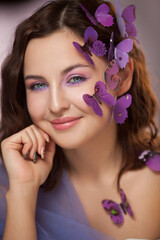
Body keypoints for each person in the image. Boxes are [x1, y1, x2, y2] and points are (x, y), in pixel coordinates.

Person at [0, 0, 160, 239]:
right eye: (38, 85)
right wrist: (23, 191)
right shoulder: (10, 184)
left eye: (74, 78)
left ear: (121, 78)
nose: (55, 105)